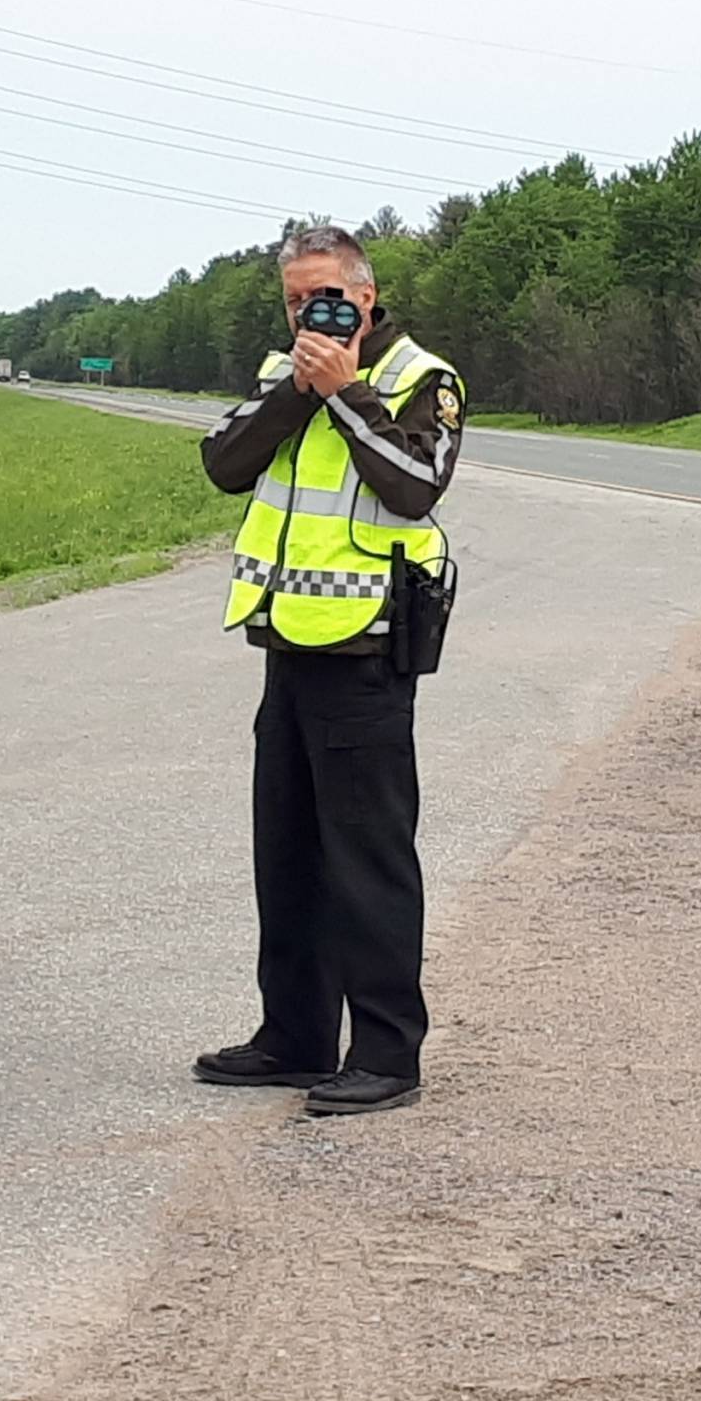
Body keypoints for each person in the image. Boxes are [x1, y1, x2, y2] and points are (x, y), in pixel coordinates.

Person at [191, 224, 465, 1116]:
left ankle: (387, 1051)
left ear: (366, 294)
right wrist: (300, 394)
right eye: (293, 298)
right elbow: (223, 464)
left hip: (368, 654)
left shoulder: (420, 377)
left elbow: (415, 483)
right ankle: (295, 1034)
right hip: (286, 645)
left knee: (369, 860)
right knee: (289, 854)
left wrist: (345, 394)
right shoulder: (285, 373)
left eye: (325, 296)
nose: (309, 311)